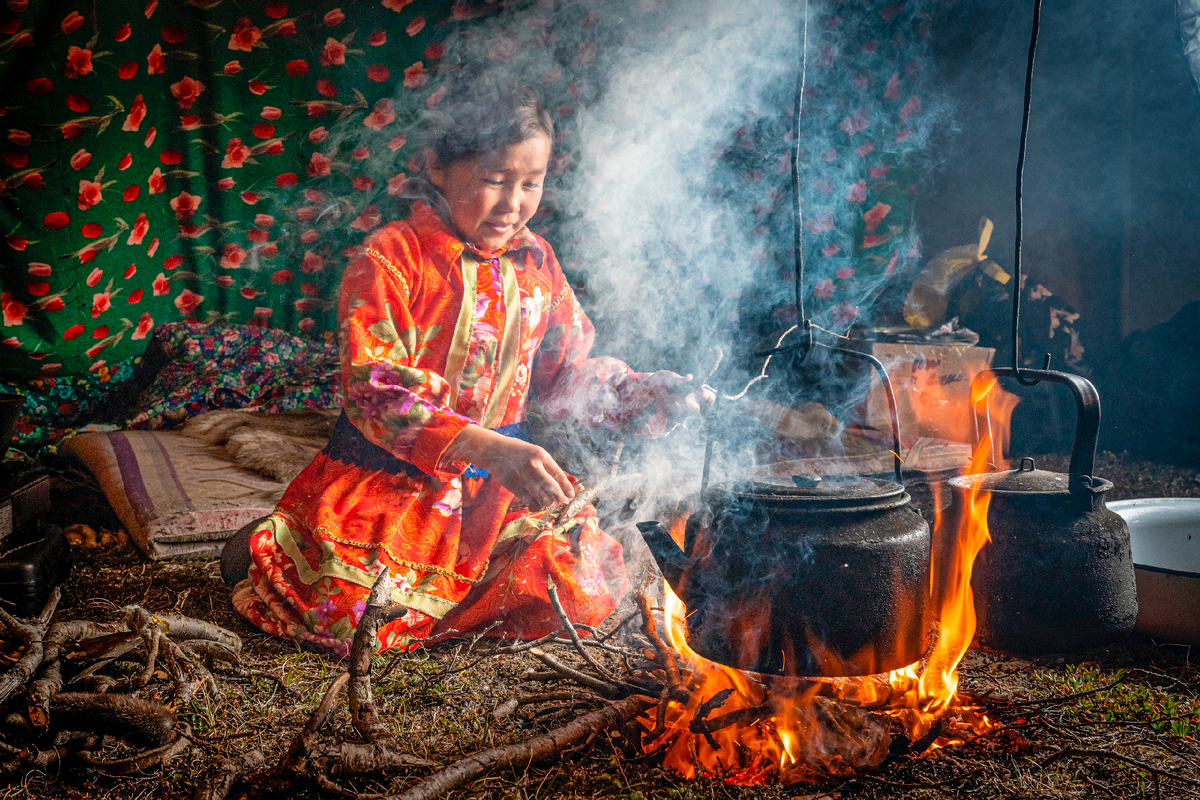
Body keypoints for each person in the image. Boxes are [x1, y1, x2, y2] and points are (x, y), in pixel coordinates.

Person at [225, 76, 710, 657]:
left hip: (495, 495)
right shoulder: (390, 258)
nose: (513, 205)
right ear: (437, 165)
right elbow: (373, 390)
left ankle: (437, 594)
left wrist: (645, 392)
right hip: (395, 483)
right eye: (494, 180)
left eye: (531, 183)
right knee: (356, 616)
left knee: (579, 591)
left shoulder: (536, 264)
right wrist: (486, 447)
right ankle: (265, 552)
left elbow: (565, 375)